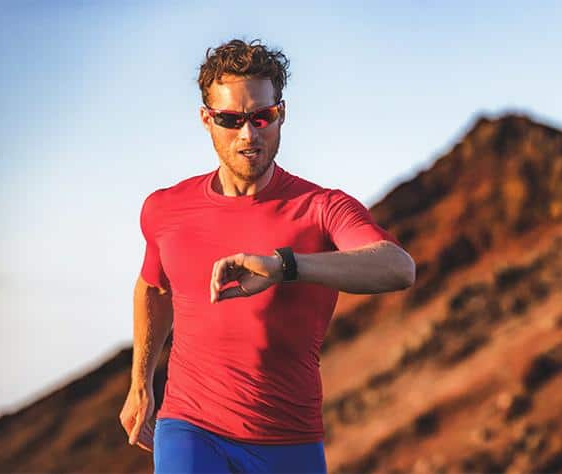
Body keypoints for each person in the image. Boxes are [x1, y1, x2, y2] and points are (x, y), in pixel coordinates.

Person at [119, 38, 416, 473]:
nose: (248, 134)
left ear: (282, 113)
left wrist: (287, 266)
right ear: (206, 119)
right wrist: (140, 382)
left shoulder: (321, 207)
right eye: (230, 119)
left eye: (262, 117)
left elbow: (398, 267)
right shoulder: (165, 209)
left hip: (287, 440)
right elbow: (154, 287)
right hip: (190, 425)